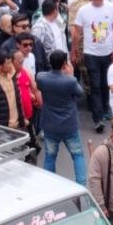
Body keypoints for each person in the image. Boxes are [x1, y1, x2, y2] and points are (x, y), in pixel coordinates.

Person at [72, 0, 113, 132]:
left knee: (106, 83)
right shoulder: (83, 10)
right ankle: (97, 117)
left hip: (108, 52)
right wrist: (75, 51)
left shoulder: (111, 8)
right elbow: (77, 32)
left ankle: (105, 109)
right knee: (95, 85)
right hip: (91, 53)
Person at [37, 49, 87, 185]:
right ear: (65, 63)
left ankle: (50, 184)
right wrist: (71, 74)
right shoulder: (70, 81)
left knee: (50, 156)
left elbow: (40, 79)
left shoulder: (41, 78)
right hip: (69, 124)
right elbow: (80, 92)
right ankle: (81, 184)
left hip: (50, 124)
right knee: (77, 155)